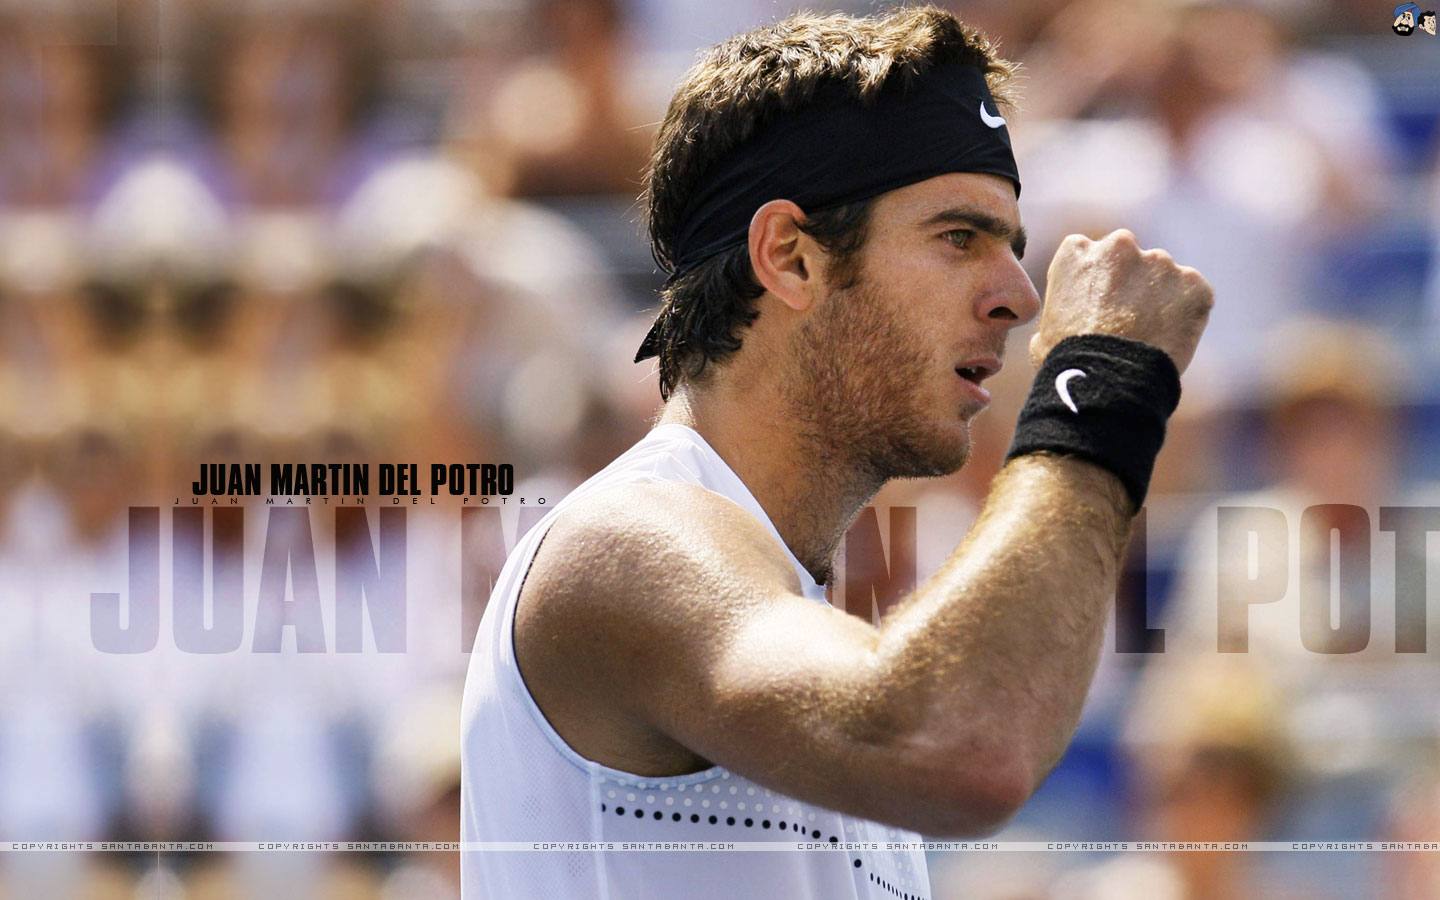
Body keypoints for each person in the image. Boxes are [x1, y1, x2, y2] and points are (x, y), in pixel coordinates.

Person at [460, 7, 1212, 899]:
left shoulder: (804, 617)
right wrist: (1098, 388)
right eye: (959, 238)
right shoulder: (624, 542)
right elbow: (965, 745)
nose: (1019, 294)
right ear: (790, 258)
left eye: (1012, 247)